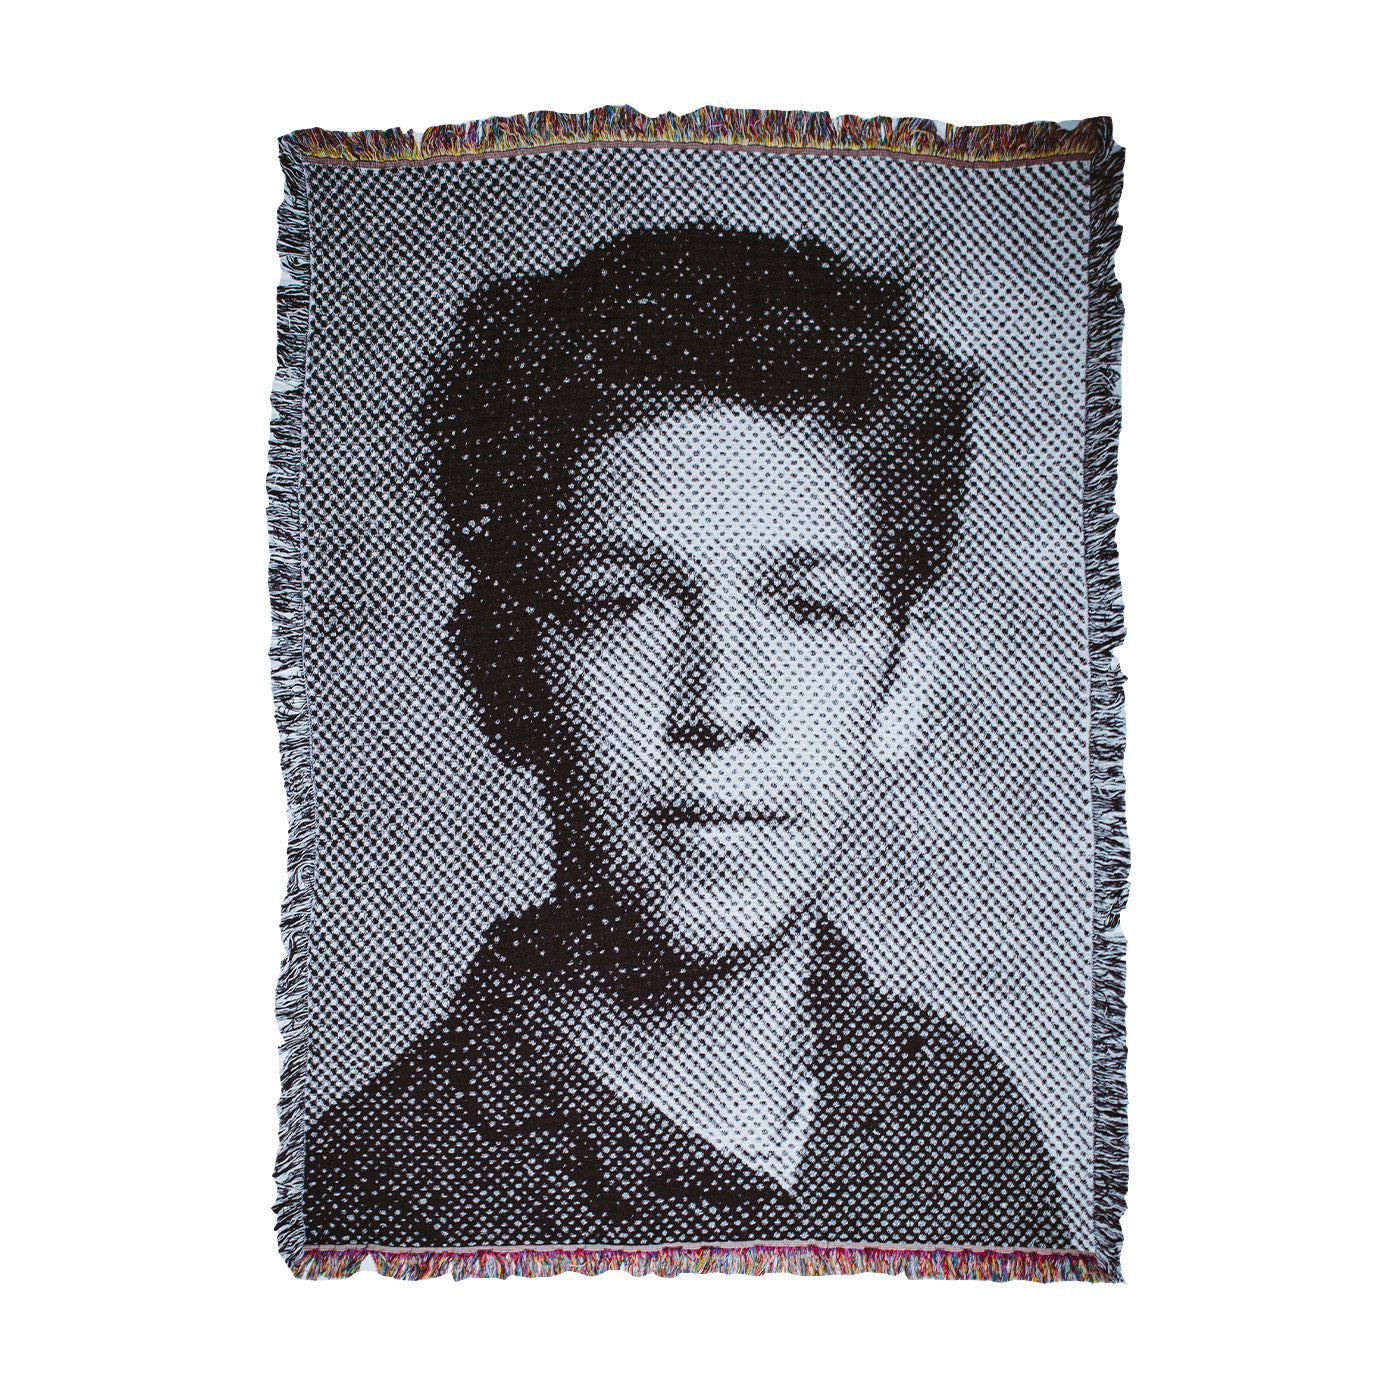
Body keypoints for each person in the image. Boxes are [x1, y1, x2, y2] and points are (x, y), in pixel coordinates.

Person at [304, 223, 1069, 1252]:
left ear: (901, 682)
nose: (720, 706)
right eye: (620, 606)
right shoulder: (378, 1200)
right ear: (503, 675)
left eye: (809, 611)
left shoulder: (967, 1126)